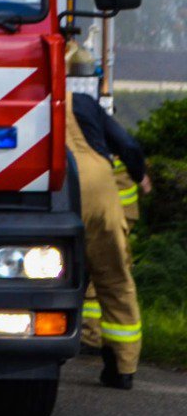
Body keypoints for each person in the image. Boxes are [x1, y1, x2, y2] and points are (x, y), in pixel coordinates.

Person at [64, 45, 143, 389]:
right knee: (114, 279)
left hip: (58, 189)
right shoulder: (85, 105)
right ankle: (122, 368)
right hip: (100, 191)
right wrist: (141, 176)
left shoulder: (29, 101)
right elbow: (127, 145)